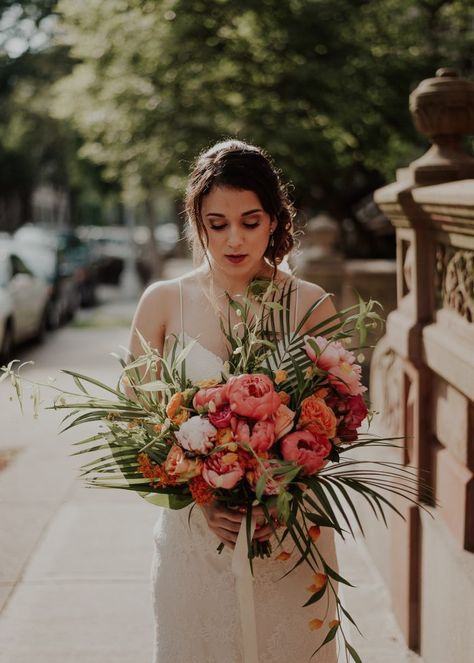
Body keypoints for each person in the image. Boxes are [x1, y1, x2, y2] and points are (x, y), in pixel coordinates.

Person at [128, 139, 339, 663]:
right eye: (216, 223)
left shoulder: (311, 304)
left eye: (250, 220)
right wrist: (201, 495)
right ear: (197, 223)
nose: (234, 238)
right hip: (194, 542)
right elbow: (130, 427)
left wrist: (279, 488)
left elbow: (337, 424)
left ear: (274, 219)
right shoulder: (162, 302)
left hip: (290, 532)